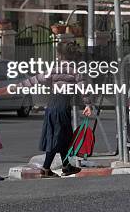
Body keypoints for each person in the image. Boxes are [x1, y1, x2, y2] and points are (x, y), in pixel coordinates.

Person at [29, 43, 92, 177]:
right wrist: (88, 104)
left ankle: (66, 165)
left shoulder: (54, 68)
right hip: (62, 105)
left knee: (61, 136)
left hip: (52, 104)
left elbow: (38, 79)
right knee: (57, 136)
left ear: (61, 55)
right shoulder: (75, 69)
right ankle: (46, 168)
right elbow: (83, 88)